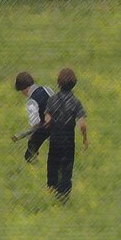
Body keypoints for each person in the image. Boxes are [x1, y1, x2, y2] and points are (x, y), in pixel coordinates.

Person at [44, 68, 89, 202]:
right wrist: (85, 139)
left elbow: (47, 120)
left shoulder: (52, 100)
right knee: (66, 167)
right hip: (68, 141)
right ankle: (63, 194)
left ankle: (51, 186)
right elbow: (82, 125)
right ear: (74, 84)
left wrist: (47, 126)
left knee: (52, 163)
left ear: (58, 83)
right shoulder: (76, 102)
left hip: (54, 139)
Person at [12, 72, 54, 163]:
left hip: (47, 126)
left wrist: (31, 135)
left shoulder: (31, 102)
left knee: (32, 144)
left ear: (23, 90)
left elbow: (35, 123)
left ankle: (31, 160)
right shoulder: (46, 89)